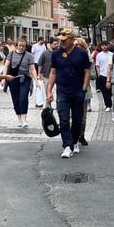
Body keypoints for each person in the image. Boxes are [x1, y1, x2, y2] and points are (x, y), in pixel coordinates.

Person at [46, 27, 91, 158]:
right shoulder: (56, 54)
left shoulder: (81, 53)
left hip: (78, 90)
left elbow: (87, 72)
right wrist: (49, 91)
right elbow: (53, 73)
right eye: (60, 40)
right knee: (64, 119)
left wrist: (84, 89)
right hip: (62, 91)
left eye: (64, 40)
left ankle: (74, 140)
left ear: (72, 39)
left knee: (77, 120)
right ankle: (67, 146)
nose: (62, 42)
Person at [5, 38, 36, 128]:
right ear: (16, 45)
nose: (21, 48)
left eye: (23, 46)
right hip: (13, 78)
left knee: (23, 98)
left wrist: (36, 80)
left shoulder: (29, 56)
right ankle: (19, 118)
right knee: (15, 99)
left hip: (25, 78)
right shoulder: (11, 54)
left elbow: (32, 69)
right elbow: (6, 66)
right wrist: (3, 78)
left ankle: (24, 119)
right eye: (20, 46)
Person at [74, 38, 93, 148]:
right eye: (75, 45)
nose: (75, 47)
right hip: (72, 89)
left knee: (83, 116)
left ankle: (81, 135)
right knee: (73, 115)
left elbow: (93, 75)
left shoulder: (88, 59)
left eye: (78, 45)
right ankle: (73, 136)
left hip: (84, 89)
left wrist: (86, 74)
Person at [94, 42, 114, 112]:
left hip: (111, 75)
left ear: (108, 46)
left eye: (105, 45)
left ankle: (108, 101)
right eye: (103, 46)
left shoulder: (112, 54)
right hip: (102, 75)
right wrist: (99, 75)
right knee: (104, 92)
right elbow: (97, 66)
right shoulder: (99, 55)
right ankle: (108, 105)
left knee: (110, 91)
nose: (104, 47)